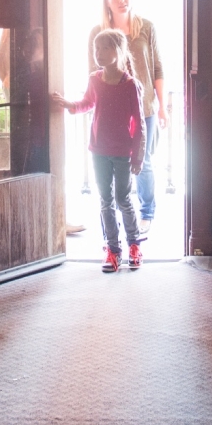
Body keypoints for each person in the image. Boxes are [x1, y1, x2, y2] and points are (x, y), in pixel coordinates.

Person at [53, 28, 147, 272]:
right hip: (99, 150)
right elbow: (87, 103)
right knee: (105, 201)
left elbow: (139, 124)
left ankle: (134, 246)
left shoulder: (130, 85)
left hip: (123, 152)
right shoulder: (95, 79)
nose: (99, 53)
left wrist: (138, 156)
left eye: (105, 48)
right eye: (97, 49)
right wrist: (69, 105)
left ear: (119, 51)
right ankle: (113, 251)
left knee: (123, 200)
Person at [87, 0, 166, 234]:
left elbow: (157, 68)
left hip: (145, 107)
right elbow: (93, 71)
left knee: (144, 160)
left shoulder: (147, 28)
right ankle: (117, 216)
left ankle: (147, 212)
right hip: (112, 111)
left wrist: (162, 106)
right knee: (112, 161)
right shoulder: (99, 32)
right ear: (106, 2)